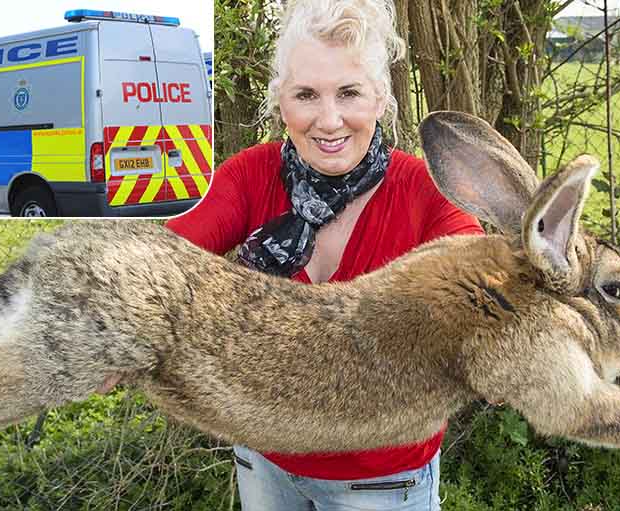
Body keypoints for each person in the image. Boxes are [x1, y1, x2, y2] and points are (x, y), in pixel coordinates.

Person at [167, 0, 483, 509]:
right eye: (307, 94)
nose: (329, 120)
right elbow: (159, 264)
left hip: (381, 480)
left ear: (380, 98)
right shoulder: (249, 176)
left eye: (350, 93)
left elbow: (483, 284)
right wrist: (118, 328)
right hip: (265, 458)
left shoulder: (424, 194)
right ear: (281, 102)